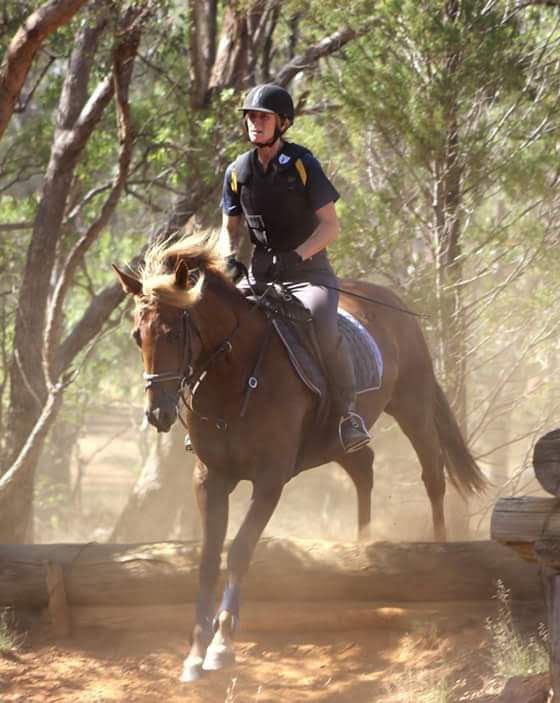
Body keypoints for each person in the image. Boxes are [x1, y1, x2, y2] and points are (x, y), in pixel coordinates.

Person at [221, 83, 370, 453]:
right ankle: (214, 416)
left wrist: (297, 255)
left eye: (263, 117)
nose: (254, 123)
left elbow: (331, 226)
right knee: (221, 324)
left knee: (321, 322)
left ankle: (347, 415)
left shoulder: (303, 164)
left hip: (309, 275)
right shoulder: (238, 171)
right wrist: (228, 258)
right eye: (251, 117)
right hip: (260, 277)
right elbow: (230, 227)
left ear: (282, 123)